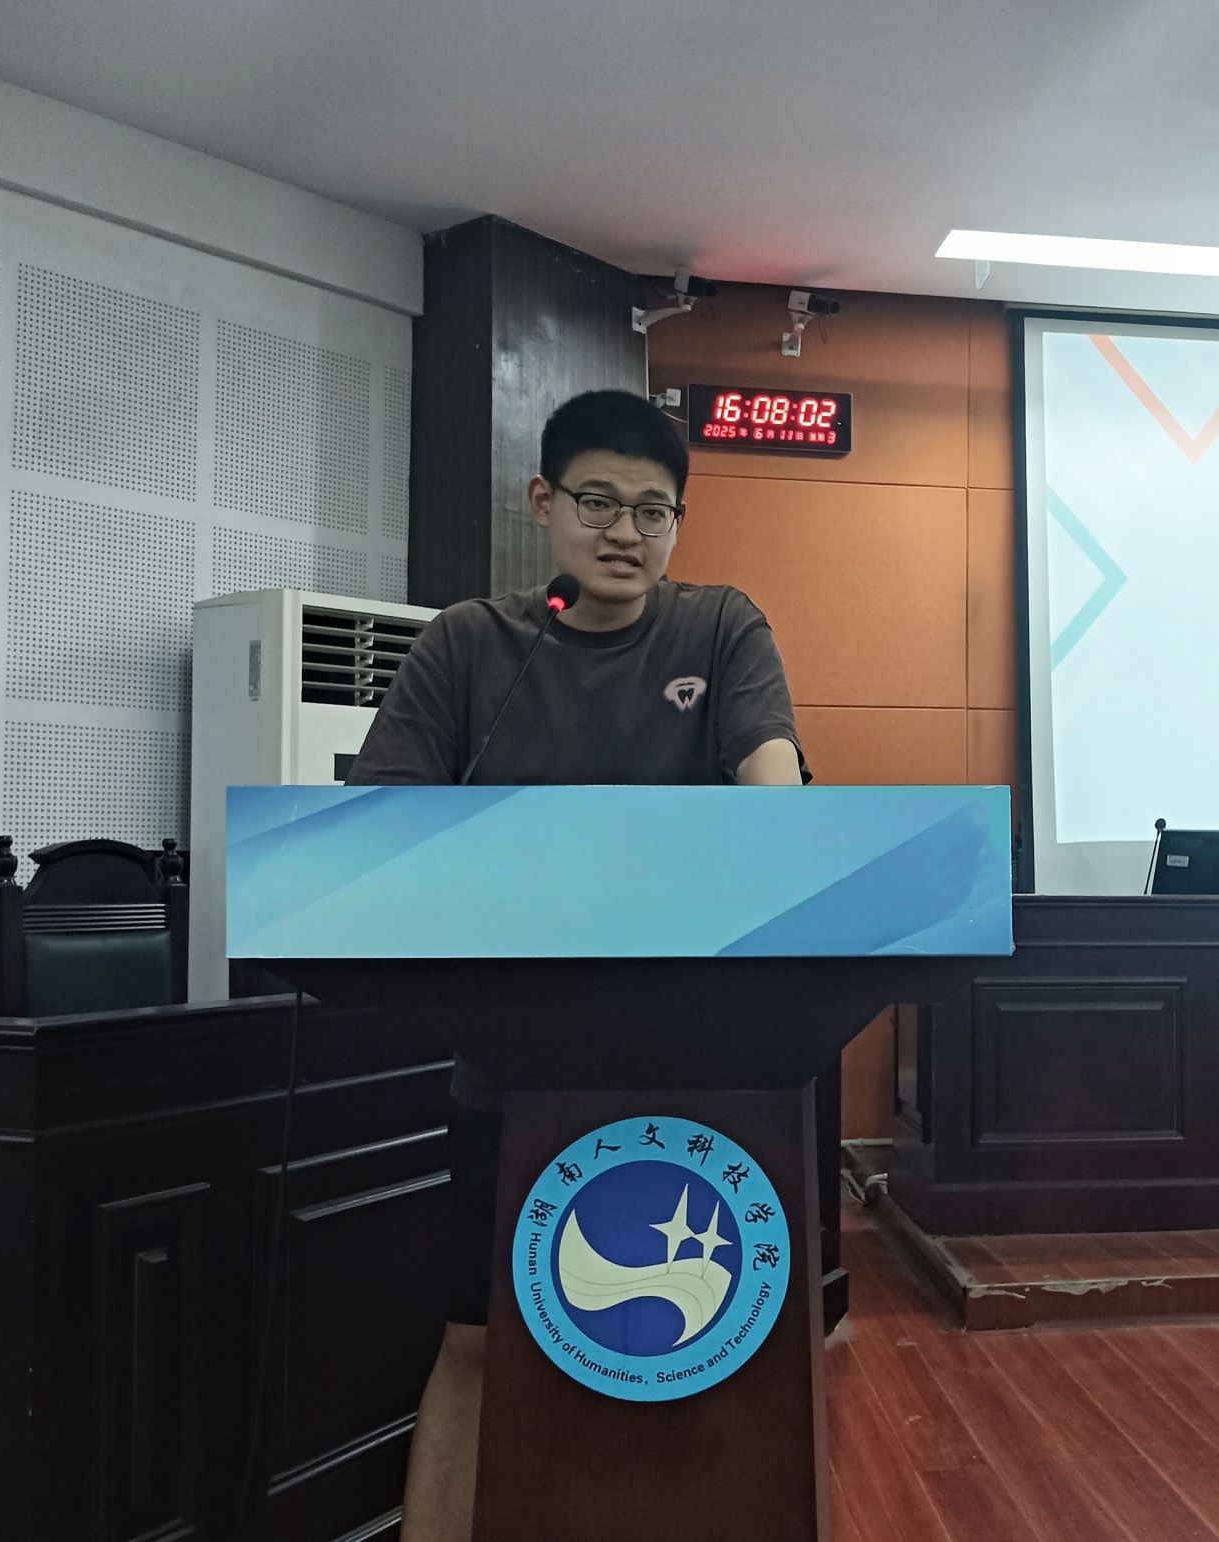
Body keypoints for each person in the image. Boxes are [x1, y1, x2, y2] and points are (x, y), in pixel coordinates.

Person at [346, 389, 807, 1541]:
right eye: (597, 502)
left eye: (654, 511)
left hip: (704, 1066)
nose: (624, 533)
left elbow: (775, 795)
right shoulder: (470, 644)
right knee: (476, 1341)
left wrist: (780, 829)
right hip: (512, 1067)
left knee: (711, 1343)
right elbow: (379, 840)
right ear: (542, 501)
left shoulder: (719, 629)